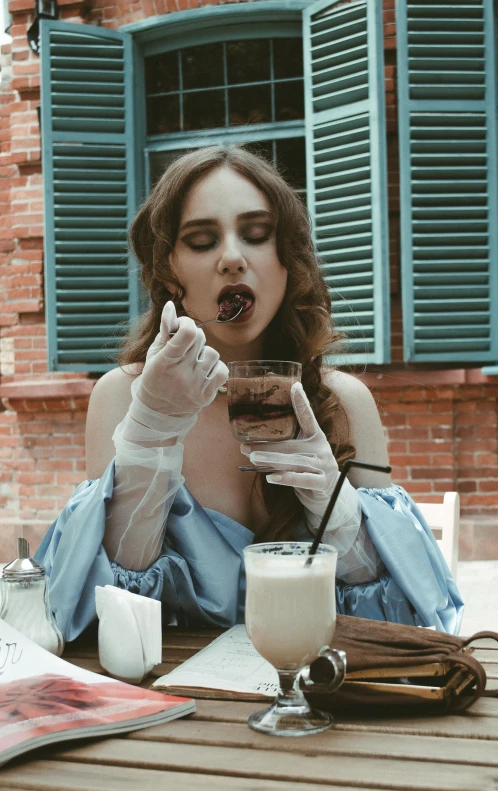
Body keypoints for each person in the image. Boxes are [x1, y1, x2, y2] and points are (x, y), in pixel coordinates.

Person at [35, 146, 463, 642]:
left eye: (258, 235)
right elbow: (95, 615)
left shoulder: (345, 403)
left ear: (287, 260)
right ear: (170, 270)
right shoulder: (123, 398)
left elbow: (407, 623)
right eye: (201, 241)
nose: (233, 258)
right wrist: (150, 435)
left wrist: (339, 511)